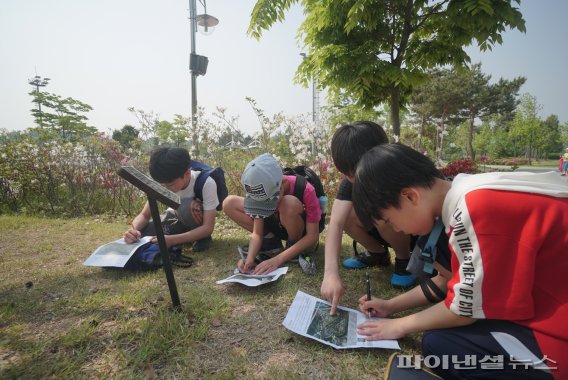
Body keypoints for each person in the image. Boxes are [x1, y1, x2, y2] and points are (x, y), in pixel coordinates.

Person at [353, 143, 568, 379]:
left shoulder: (473, 209)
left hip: (556, 338)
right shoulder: (468, 190)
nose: (397, 229)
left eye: (390, 220)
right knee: (440, 341)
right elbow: (449, 282)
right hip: (548, 314)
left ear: (409, 196)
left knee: (442, 347)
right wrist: (391, 306)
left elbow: (463, 311)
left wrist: (398, 325)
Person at [321, 121, 416, 314]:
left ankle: (404, 259)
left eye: (355, 174)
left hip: (413, 235)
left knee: (384, 212)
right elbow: (336, 224)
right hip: (383, 230)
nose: (356, 180)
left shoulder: (401, 175)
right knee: (346, 214)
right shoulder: (350, 183)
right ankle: (378, 254)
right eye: (349, 176)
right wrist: (330, 273)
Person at [223, 153, 321, 275]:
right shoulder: (262, 187)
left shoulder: (306, 189)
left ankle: (292, 248)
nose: (265, 206)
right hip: (276, 225)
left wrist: (278, 260)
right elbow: (257, 232)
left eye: (268, 202)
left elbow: (313, 236)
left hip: (299, 230)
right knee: (229, 202)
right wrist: (249, 259)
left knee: (288, 203)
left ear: (282, 184)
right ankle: (272, 244)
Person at [123, 147, 218, 251]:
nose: (165, 188)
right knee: (141, 234)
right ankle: (182, 236)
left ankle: (202, 238)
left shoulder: (206, 183)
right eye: (161, 184)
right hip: (173, 217)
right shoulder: (164, 182)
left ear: (187, 173)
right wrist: (133, 230)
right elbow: (144, 215)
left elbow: (208, 227)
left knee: (185, 206)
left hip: (195, 218)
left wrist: (172, 240)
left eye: (170, 184)